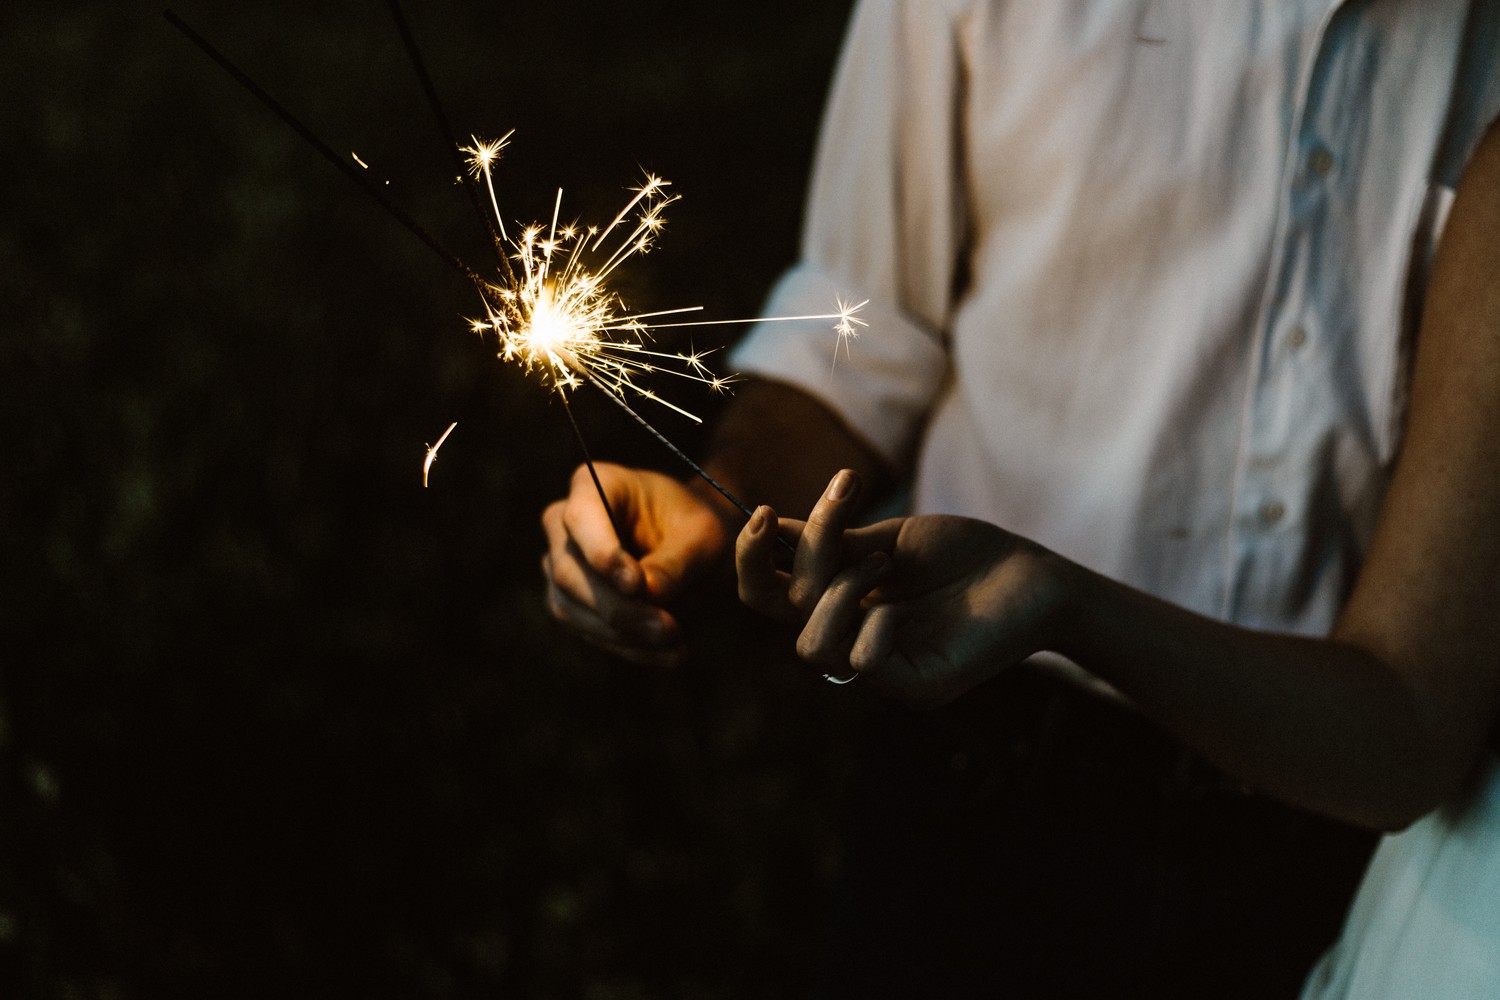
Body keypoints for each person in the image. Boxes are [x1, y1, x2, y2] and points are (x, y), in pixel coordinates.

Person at [541, 1, 1500, 996]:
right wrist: (720, 499)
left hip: (1338, 838)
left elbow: (1411, 698)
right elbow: (865, 328)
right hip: (985, 764)